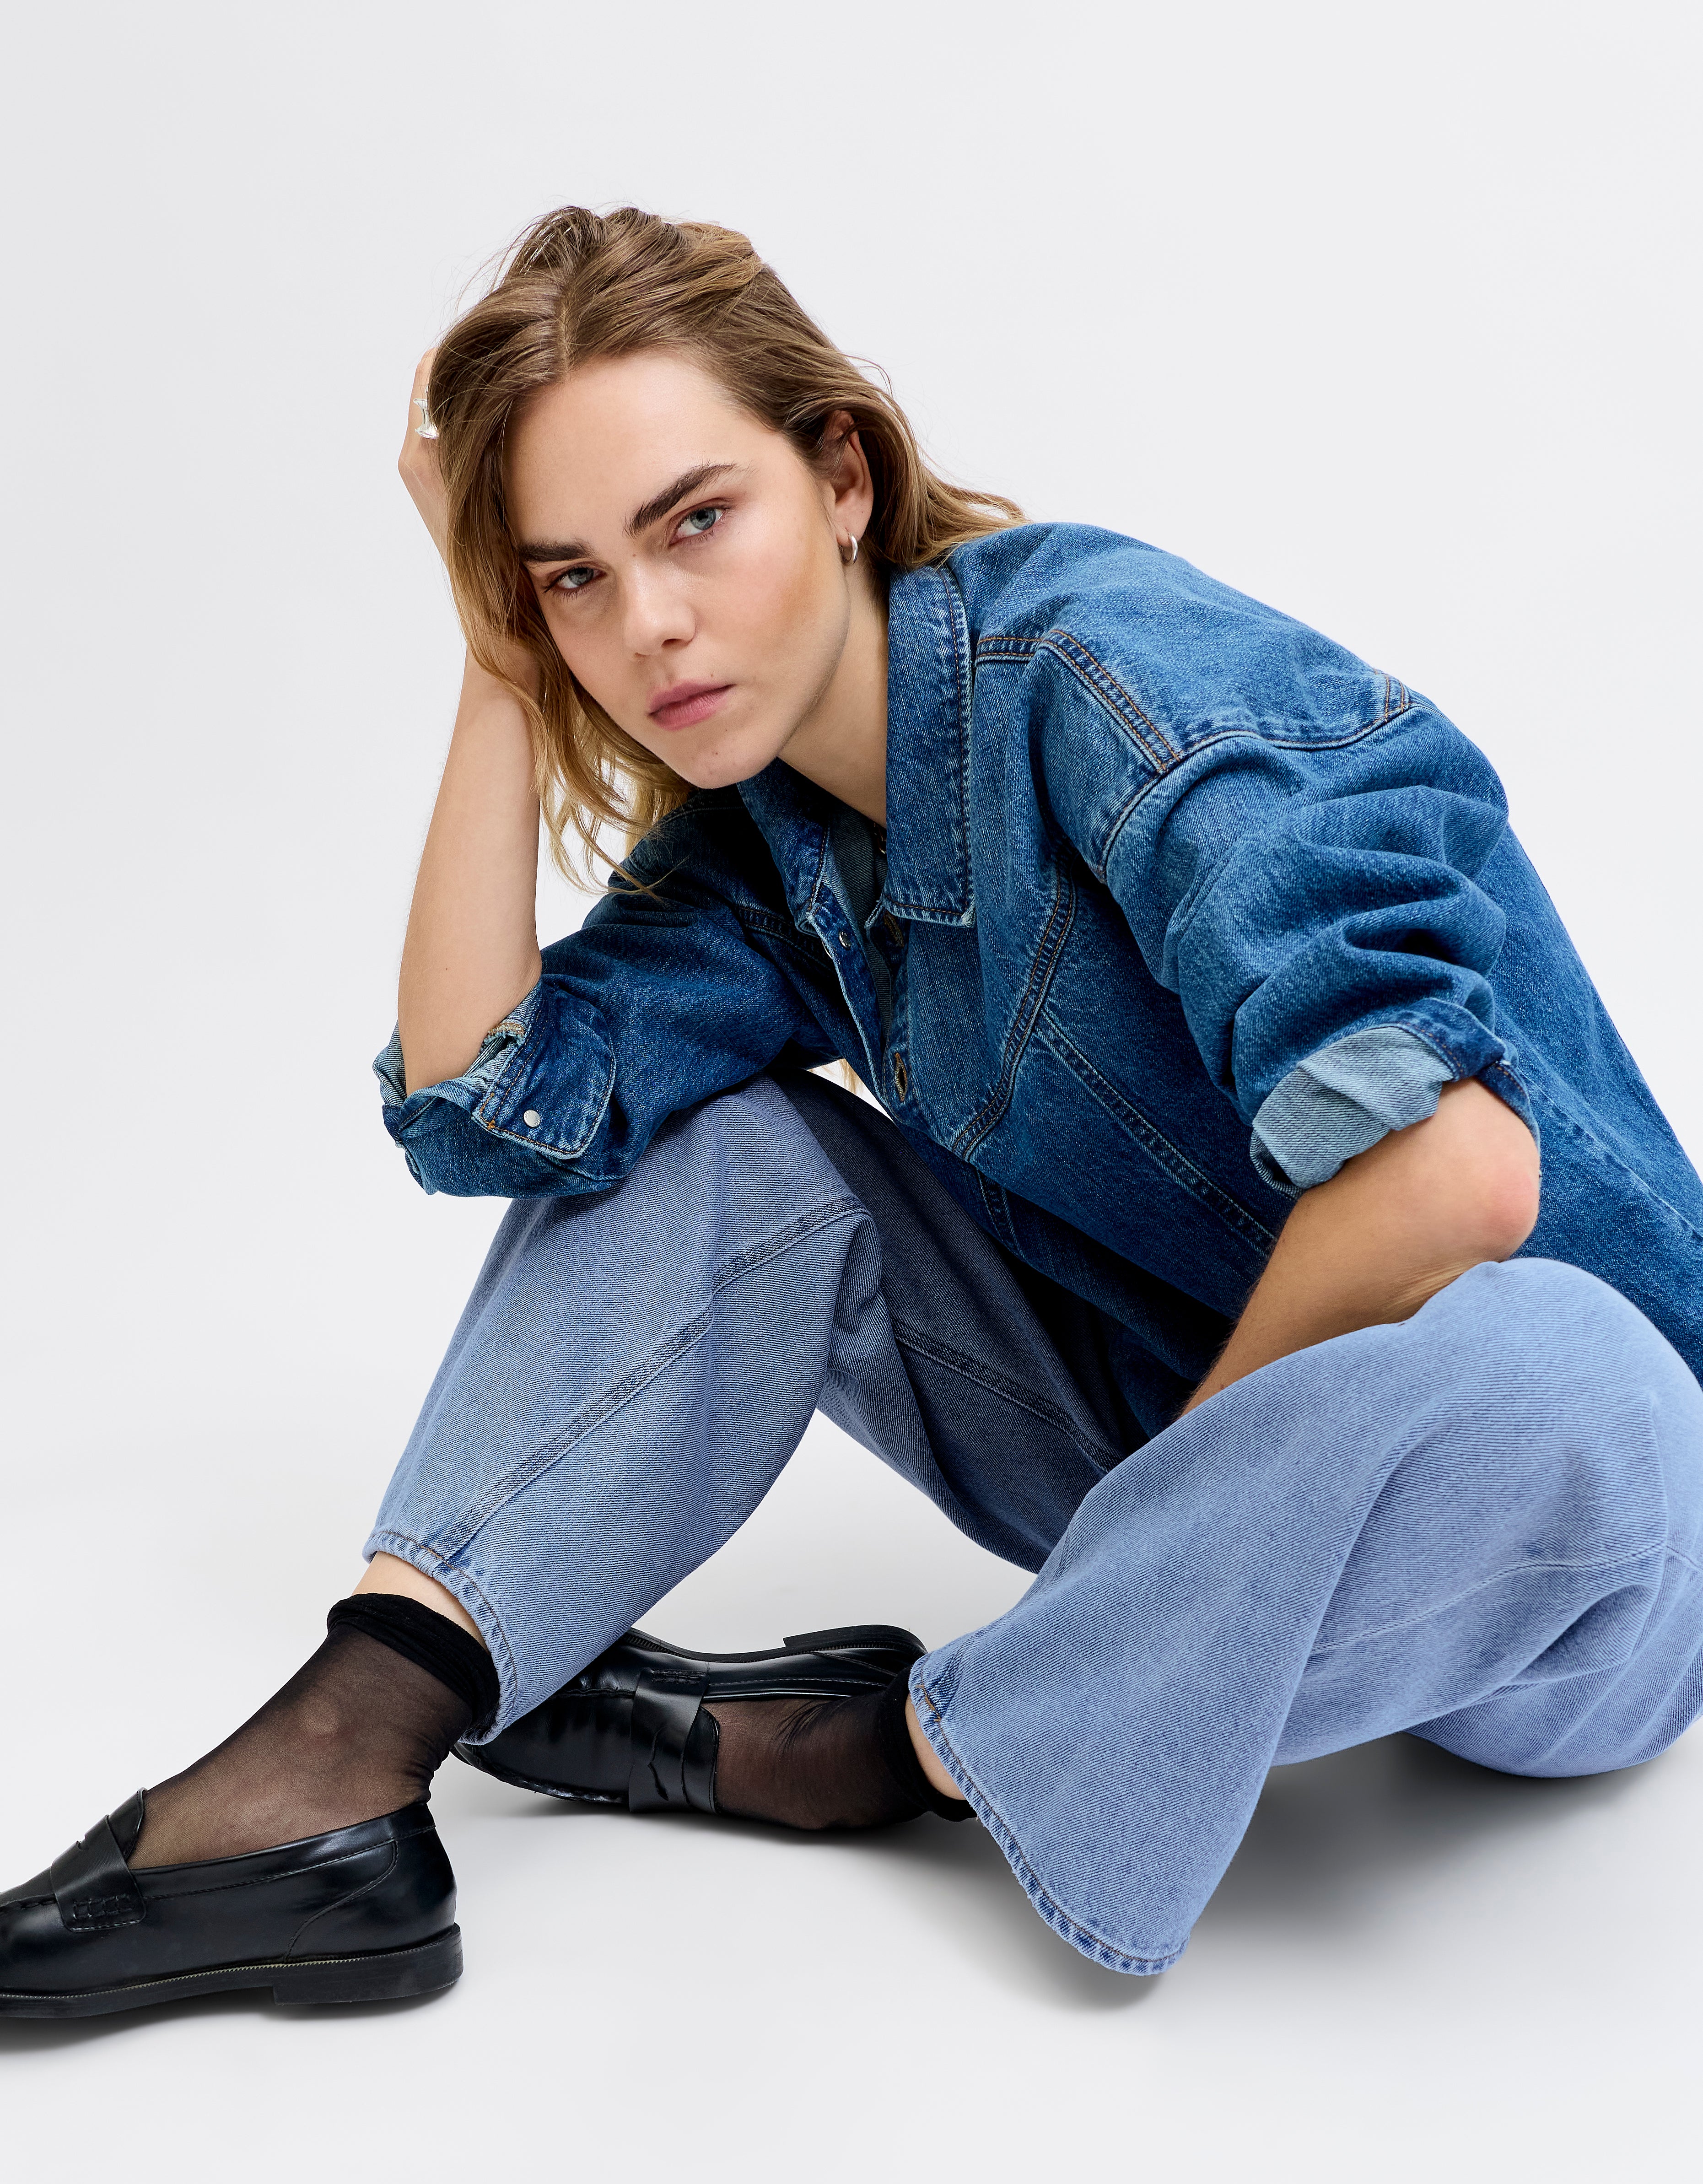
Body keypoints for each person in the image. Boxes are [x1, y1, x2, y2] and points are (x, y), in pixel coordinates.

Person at [6, 205, 1702, 2019]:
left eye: (692, 521)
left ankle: (885, 1750)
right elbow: (491, 1107)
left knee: (1553, 1352)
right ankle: (352, 1742)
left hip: (1568, 1541)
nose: (648, 624)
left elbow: (1447, 1173)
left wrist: (1164, 1558)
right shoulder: (770, 854)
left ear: (840, 475)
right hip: (1180, 1473)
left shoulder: (1119, 681)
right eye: (571, 578)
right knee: (724, 1147)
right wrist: (494, 654)